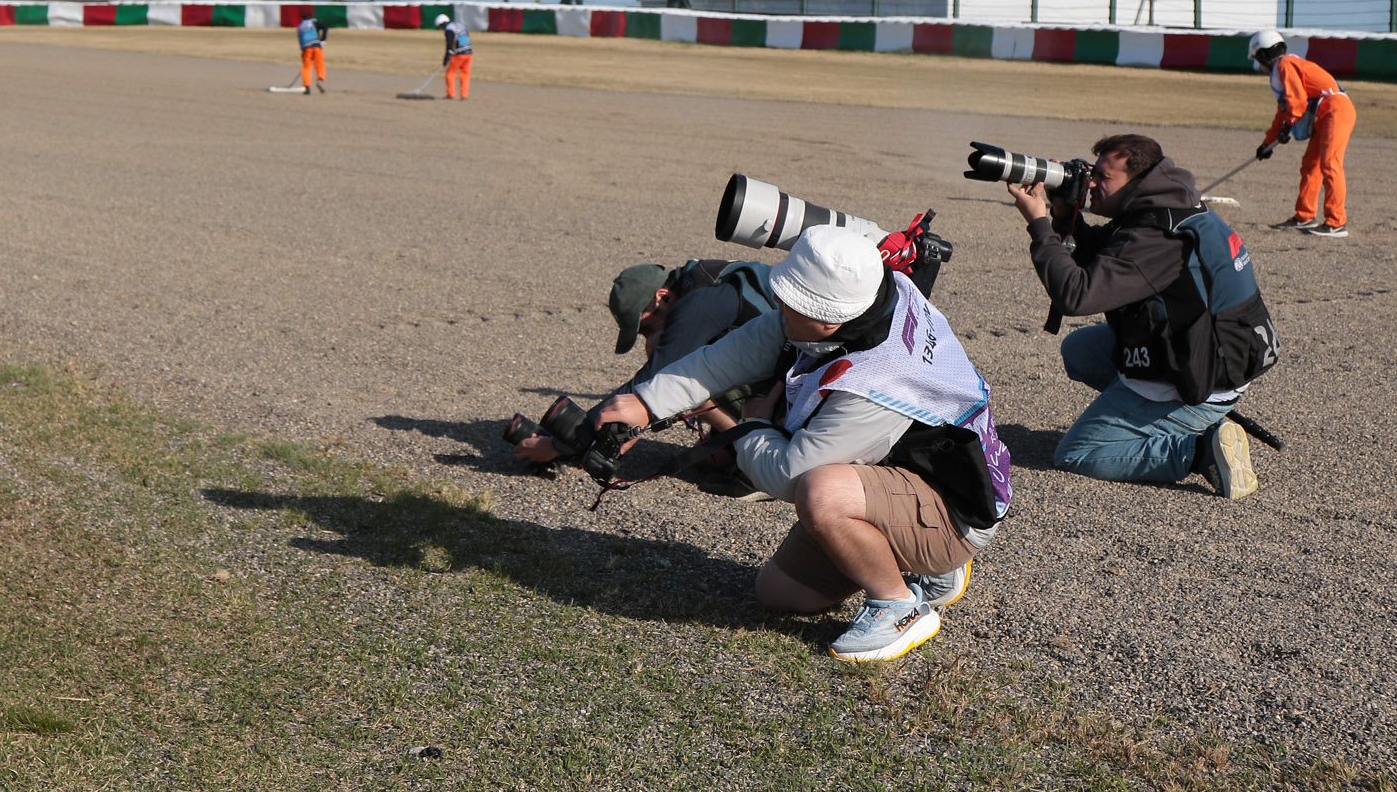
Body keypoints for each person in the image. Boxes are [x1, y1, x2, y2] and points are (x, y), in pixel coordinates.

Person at [587, 227, 1010, 662]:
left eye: (790, 302)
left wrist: (751, 424)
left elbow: (791, 475)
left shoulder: (881, 378)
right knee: (780, 594)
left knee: (820, 491)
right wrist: (646, 402)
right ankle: (928, 566)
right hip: (904, 482)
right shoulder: (865, 298)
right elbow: (733, 354)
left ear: (828, 320)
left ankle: (899, 605)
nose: (777, 304)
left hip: (953, 510)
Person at [1006, 134, 1275, 500]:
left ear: (1136, 180)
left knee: (1076, 453)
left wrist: (1038, 224)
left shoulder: (1157, 238)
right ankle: (1170, 420)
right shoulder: (1171, 206)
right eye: (1092, 174)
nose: (1091, 184)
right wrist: (1065, 215)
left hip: (1200, 376)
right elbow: (1106, 253)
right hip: (1211, 352)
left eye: (1103, 177)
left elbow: (1075, 295)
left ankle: (1197, 449)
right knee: (1079, 351)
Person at [511, 259, 777, 466]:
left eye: (646, 326)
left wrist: (563, 443)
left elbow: (653, 379)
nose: (648, 337)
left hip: (791, 387)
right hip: (779, 372)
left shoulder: (700, 302)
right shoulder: (700, 282)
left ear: (662, 296)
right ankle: (737, 443)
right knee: (710, 457)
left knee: (675, 374)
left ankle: (756, 456)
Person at [1248, 29, 1354, 238]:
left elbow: (1296, 104)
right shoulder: (1284, 68)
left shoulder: (1285, 65)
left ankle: (1336, 222)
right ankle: (1304, 216)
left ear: (1263, 55)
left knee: (1330, 163)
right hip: (1324, 114)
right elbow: (1285, 110)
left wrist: (1287, 126)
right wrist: (1267, 144)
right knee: (1311, 164)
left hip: (1337, 110)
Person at [438, 13, 472, 100]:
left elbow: (449, 44)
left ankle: (451, 94)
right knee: (465, 73)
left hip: (459, 54)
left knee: (451, 73)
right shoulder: (459, 25)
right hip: (469, 52)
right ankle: (464, 95)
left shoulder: (449, 29)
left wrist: (446, 57)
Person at [297, 12, 327, 94]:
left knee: (306, 67)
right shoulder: (314, 21)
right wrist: (323, 40)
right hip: (317, 46)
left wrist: (303, 50)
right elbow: (325, 27)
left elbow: (300, 40)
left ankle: (307, 86)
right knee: (319, 64)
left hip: (306, 48)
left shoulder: (300, 27)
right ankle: (320, 78)